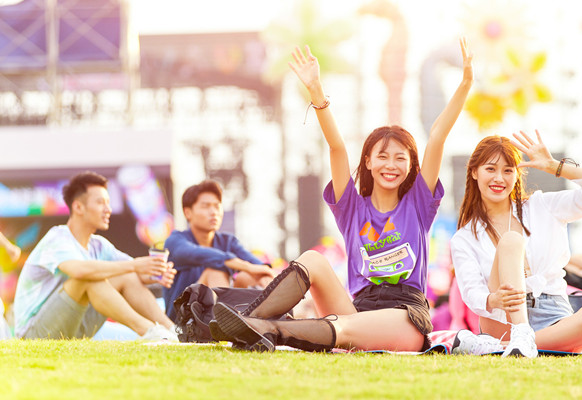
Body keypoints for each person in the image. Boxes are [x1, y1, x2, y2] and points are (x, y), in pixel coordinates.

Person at [209, 38, 473, 353]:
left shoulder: (418, 203)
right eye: (383, 156)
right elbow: (336, 147)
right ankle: (249, 321)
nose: (391, 165)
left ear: (411, 166)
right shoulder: (351, 207)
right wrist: (317, 92)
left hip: (404, 316)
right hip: (356, 308)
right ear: (368, 162)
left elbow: (437, 135)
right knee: (313, 260)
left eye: (401, 158)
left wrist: (465, 84)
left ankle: (263, 329)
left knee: (343, 328)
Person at [450, 133, 582, 357]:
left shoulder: (542, 206)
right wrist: (493, 299)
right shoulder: (464, 237)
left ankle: (501, 348)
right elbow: (472, 292)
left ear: (516, 174)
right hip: (502, 318)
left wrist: (554, 167)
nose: (499, 178)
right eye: (490, 169)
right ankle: (521, 334)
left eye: (508, 170)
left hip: (554, 314)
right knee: (511, 240)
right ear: (474, 172)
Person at [13, 172, 179, 341]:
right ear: (78, 207)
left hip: (73, 328)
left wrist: (154, 273)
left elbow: (132, 274)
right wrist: (135, 265)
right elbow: (79, 271)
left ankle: (172, 330)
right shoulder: (58, 238)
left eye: (108, 202)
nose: (109, 209)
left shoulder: (99, 245)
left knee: (124, 274)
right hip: (34, 333)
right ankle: (149, 331)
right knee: (88, 277)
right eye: (101, 203)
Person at [163, 179, 275, 319]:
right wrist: (245, 266)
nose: (214, 212)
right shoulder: (175, 240)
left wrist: (260, 272)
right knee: (215, 271)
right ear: (188, 213)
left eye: (217, 206)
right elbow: (198, 254)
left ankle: (273, 325)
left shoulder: (228, 241)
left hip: (214, 314)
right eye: (206, 206)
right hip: (183, 319)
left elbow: (260, 267)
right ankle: (226, 325)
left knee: (252, 276)